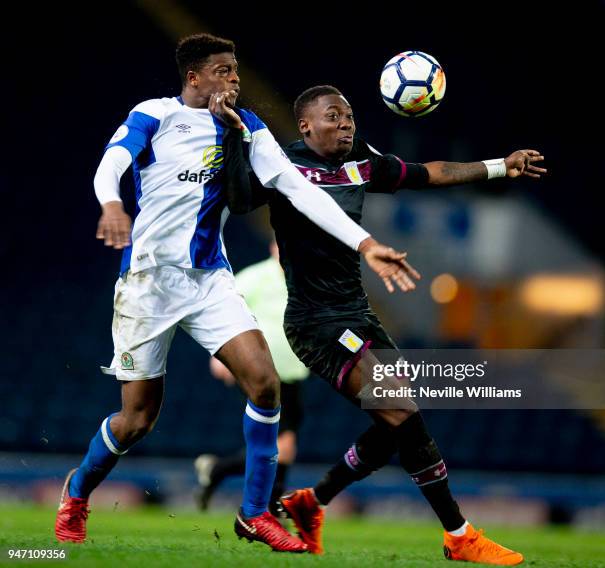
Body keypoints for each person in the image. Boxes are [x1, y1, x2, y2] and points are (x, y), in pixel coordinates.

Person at [53, 35, 420, 553]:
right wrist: (112, 203)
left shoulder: (247, 127)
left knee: (266, 385)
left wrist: (366, 243)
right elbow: (111, 161)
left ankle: (253, 513)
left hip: (208, 281)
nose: (234, 81)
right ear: (195, 77)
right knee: (137, 419)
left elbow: (297, 188)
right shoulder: (155, 115)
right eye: (224, 72)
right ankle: (77, 491)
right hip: (147, 284)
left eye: (237, 73)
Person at [224, 84, 546, 564]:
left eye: (350, 114)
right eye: (334, 115)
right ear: (306, 124)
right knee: (399, 409)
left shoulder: (359, 158)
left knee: (399, 416)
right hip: (315, 320)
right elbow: (237, 196)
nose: (347, 122)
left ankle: (313, 500)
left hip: (357, 312)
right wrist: (233, 144)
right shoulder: (280, 164)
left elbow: (429, 173)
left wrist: (500, 165)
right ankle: (459, 536)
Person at [194, 241, 309, 512]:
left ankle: (218, 470)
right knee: (282, 443)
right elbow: (223, 313)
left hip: (294, 372)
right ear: (273, 247)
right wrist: (218, 355)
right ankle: (268, 506)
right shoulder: (255, 277)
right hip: (260, 371)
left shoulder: (304, 279)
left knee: (283, 444)